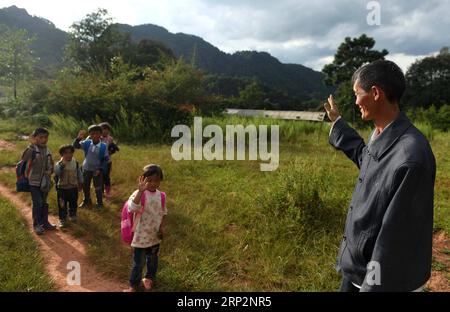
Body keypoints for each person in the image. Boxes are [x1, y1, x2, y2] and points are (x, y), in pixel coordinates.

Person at [324, 60, 436, 292]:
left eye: (357, 94)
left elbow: (395, 239)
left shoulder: (411, 156)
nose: (355, 102)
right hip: (359, 269)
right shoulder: (383, 133)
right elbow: (366, 158)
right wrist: (338, 123)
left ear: (375, 93)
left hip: (384, 282)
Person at [124, 164, 167, 292]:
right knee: (139, 263)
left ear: (160, 180)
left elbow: (163, 212)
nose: (153, 183)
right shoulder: (139, 194)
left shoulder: (161, 196)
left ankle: (149, 278)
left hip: (154, 236)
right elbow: (132, 208)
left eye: (156, 180)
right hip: (140, 236)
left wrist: (161, 227)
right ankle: (133, 285)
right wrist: (140, 191)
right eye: (149, 180)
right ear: (142, 179)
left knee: (153, 260)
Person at [20, 128, 55, 235]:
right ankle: (37, 224)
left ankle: (45, 222)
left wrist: (50, 171)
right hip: (33, 182)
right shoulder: (32, 149)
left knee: (44, 202)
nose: (44, 140)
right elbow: (24, 158)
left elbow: (50, 163)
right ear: (34, 138)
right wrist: (31, 146)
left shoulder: (48, 150)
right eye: (41, 137)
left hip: (45, 182)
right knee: (38, 202)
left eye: (46, 137)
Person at [73, 125, 109, 210]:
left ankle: (99, 204)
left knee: (98, 187)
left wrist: (100, 169)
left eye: (97, 133)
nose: (95, 136)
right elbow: (75, 146)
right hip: (86, 168)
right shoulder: (87, 143)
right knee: (85, 185)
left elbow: (106, 159)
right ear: (90, 135)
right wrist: (78, 138)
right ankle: (86, 201)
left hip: (97, 170)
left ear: (100, 134)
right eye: (92, 134)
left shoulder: (103, 146)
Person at [54, 145, 83, 228]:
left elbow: (79, 174)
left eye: (70, 153)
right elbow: (57, 172)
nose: (68, 155)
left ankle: (72, 215)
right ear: (62, 154)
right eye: (65, 153)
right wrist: (62, 165)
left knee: (73, 203)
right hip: (62, 189)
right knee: (62, 204)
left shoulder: (76, 163)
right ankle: (62, 219)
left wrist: (81, 183)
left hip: (73, 188)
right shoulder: (59, 164)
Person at [98, 122, 119, 198]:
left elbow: (113, 149)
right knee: (99, 177)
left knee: (106, 176)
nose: (105, 131)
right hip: (97, 161)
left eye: (107, 130)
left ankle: (108, 192)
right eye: (103, 129)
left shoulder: (110, 138)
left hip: (107, 161)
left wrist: (112, 150)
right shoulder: (96, 138)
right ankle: (101, 192)